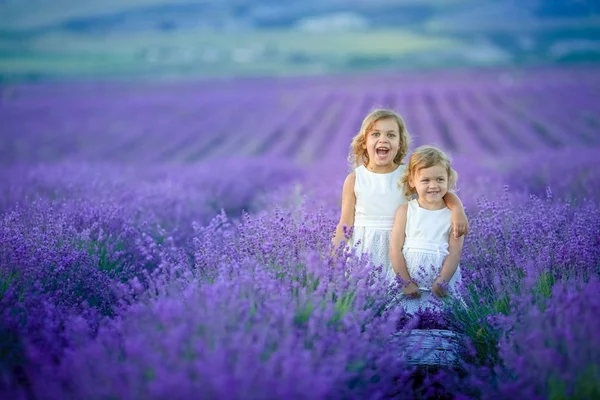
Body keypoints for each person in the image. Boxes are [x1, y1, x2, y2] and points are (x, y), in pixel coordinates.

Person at [332, 109, 468, 284]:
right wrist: (333, 255)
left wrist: (457, 209)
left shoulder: (406, 175)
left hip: (400, 249)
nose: (383, 139)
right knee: (363, 297)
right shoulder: (355, 179)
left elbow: (438, 193)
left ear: (399, 143)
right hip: (364, 249)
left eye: (391, 135)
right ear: (364, 142)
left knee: (396, 297)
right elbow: (345, 223)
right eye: (375, 134)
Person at [390, 145, 464, 314]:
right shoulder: (405, 211)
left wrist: (443, 280)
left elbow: (455, 252)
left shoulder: (453, 215)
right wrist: (405, 282)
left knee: (443, 320)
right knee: (404, 320)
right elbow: (395, 249)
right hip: (410, 285)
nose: (433, 185)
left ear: (448, 180)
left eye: (440, 179)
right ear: (412, 182)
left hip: (441, 285)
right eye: (425, 180)